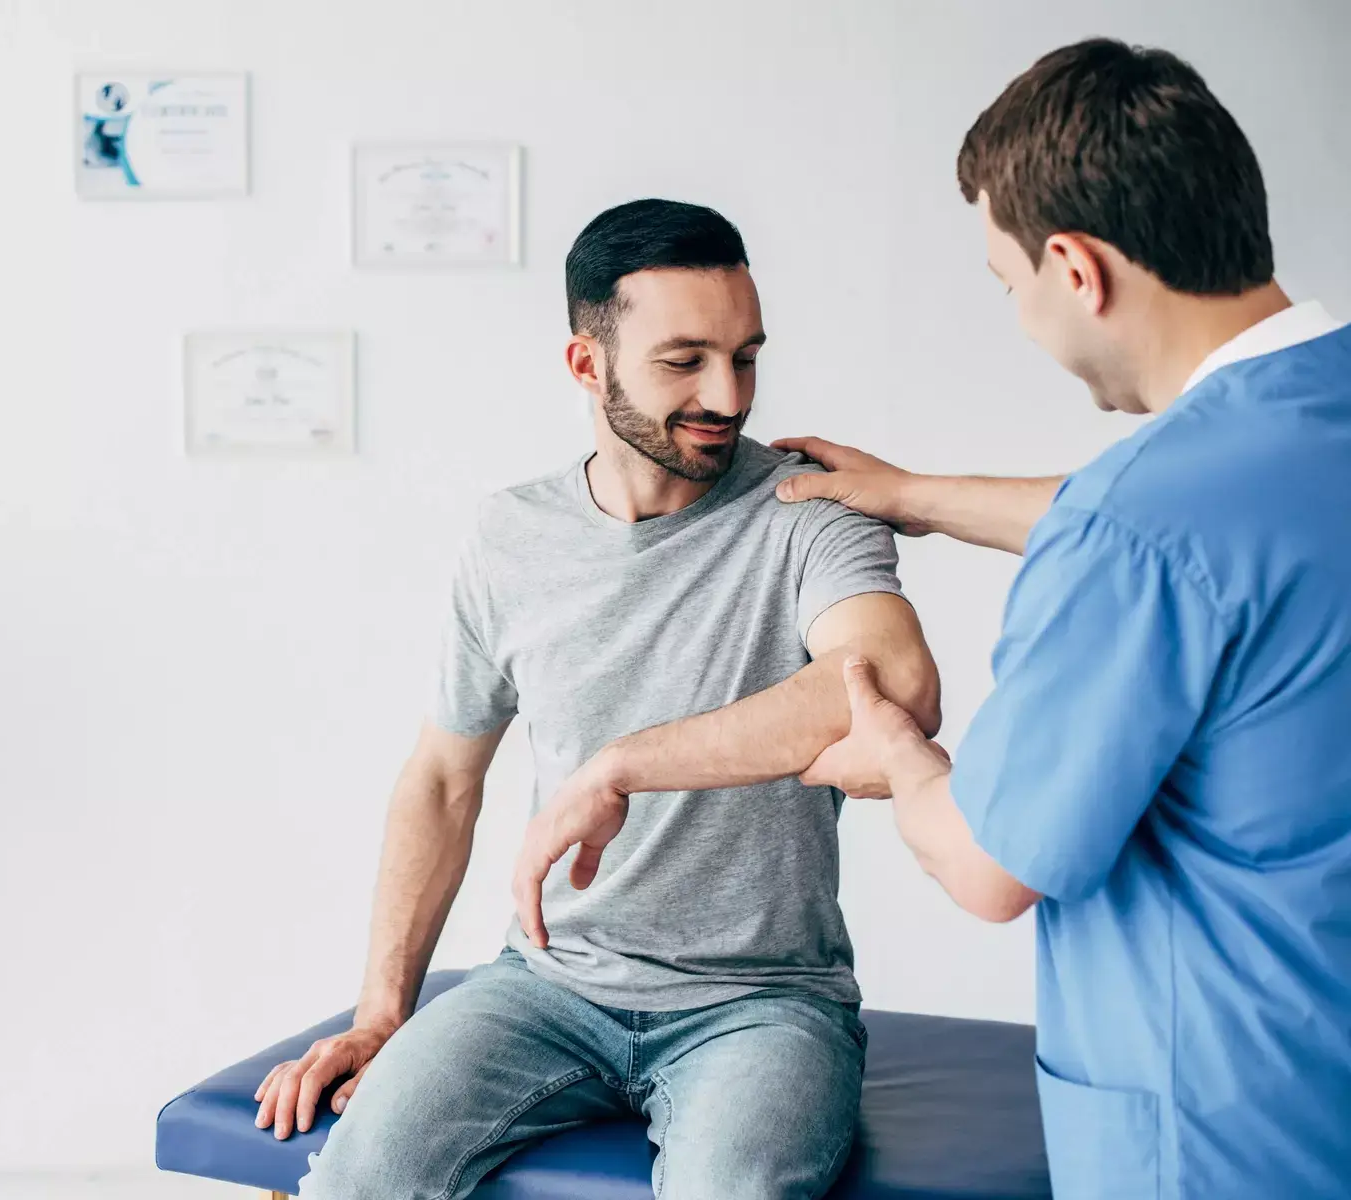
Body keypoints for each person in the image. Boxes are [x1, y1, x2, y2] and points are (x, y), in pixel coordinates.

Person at [253, 198, 941, 1199]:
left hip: (761, 1002)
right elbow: (444, 779)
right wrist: (379, 1011)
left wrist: (622, 764)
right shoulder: (508, 537)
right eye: (684, 360)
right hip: (546, 986)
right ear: (587, 364)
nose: (726, 392)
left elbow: (888, 686)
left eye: (745, 356)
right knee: (354, 1179)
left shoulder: (808, 508)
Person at [758, 38, 1351, 1199]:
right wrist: (915, 496)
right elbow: (1217, 532)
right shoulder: (1285, 439)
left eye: (1007, 284)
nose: (1020, 317)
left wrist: (896, 755)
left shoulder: (1140, 526)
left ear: (1074, 267)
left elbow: (988, 866)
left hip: (1221, 1139)